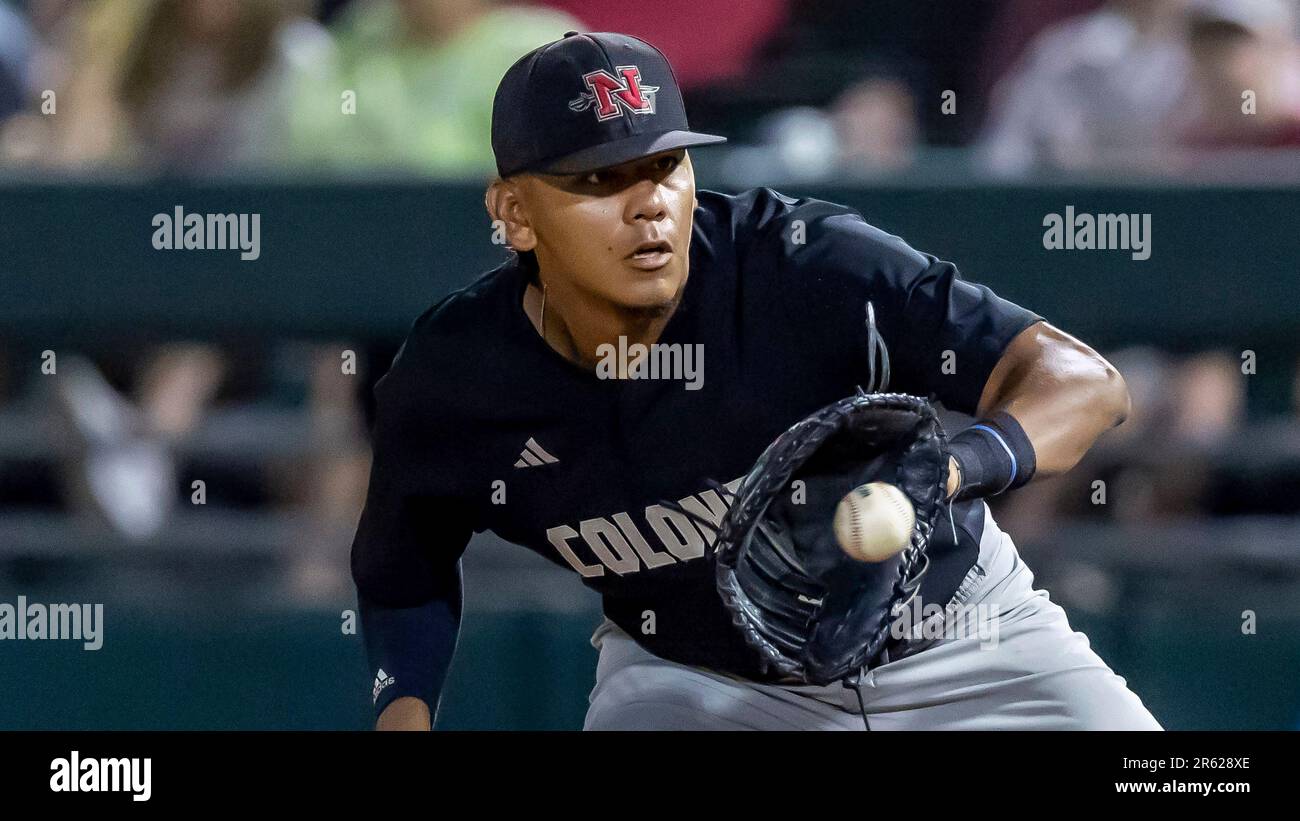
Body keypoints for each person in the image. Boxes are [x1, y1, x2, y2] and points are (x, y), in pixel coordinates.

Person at [350, 31, 1162, 730]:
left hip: (964, 640)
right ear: (515, 214)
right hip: (697, 680)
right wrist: (405, 710)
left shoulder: (801, 263)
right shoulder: (456, 379)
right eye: (600, 180)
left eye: (665, 164)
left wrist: (955, 466)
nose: (650, 204)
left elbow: (1085, 382)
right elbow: (403, 566)